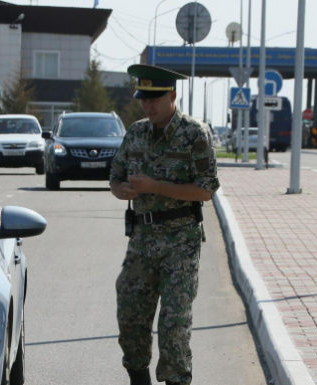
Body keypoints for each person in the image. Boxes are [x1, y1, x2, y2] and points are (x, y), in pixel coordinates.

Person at [109, 64, 220, 385]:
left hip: (180, 240)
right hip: (142, 238)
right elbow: (115, 178)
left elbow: (206, 190)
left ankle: (176, 380)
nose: (148, 106)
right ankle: (137, 377)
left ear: (172, 95)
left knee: (174, 324)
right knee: (130, 313)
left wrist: (153, 186)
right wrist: (123, 190)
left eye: (155, 99)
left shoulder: (194, 134)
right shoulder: (136, 132)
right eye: (144, 99)